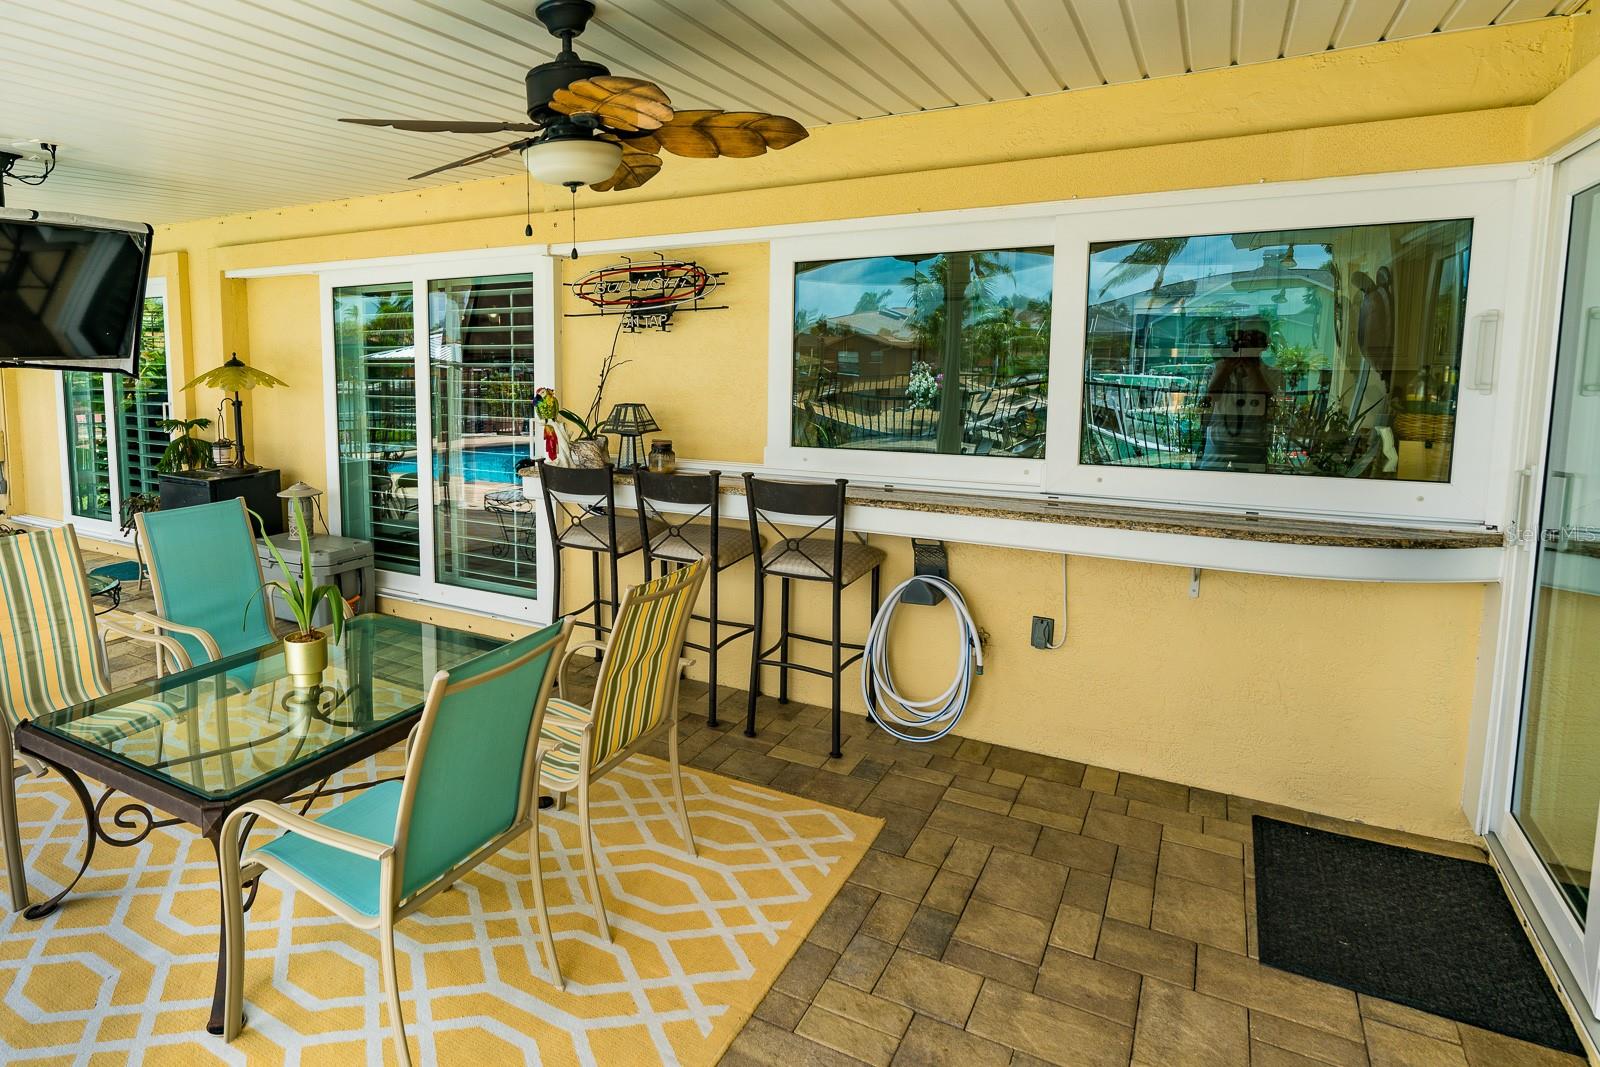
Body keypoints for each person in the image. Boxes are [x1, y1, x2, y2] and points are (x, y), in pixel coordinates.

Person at [1198, 321, 1278, 472]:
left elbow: (1268, 402)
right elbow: (1208, 401)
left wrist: (1253, 368)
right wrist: (1227, 367)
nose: (1246, 345)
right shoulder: (1215, 369)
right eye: (1243, 338)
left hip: (1253, 443)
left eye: (1253, 339)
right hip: (1218, 440)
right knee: (1208, 483)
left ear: (1264, 344)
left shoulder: (1272, 373)